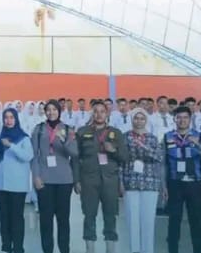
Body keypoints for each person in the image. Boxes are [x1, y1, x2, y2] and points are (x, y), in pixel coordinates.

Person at [75, 100, 128, 253]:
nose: (99, 114)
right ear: (92, 113)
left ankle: (110, 249)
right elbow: (76, 158)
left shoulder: (116, 133)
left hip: (110, 181)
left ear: (107, 113)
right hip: (88, 180)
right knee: (89, 215)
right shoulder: (82, 132)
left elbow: (125, 157)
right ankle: (90, 249)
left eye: (102, 111)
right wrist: (76, 180)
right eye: (96, 111)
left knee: (110, 215)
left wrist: (113, 151)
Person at [163, 106, 201, 253]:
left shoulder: (199, 136)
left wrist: (198, 144)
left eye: (185, 117)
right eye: (179, 117)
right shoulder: (167, 137)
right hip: (174, 184)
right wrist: (163, 185)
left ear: (190, 119)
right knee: (174, 220)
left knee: (195, 220)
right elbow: (163, 164)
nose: (182, 120)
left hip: (194, 184)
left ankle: (198, 250)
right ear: (174, 119)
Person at [31, 99, 78, 253]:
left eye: (54, 109)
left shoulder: (68, 129)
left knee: (63, 219)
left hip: (64, 180)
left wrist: (63, 140)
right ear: (45, 112)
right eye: (48, 110)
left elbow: (74, 153)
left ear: (59, 111)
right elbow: (34, 156)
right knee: (46, 220)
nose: (51, 112)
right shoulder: (39, 129)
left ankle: (64, 249)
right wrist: (36, 176)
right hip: (45, 180)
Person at [0, 108, 33, 253]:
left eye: (11, 117)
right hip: (0, 185)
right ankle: (6, 246)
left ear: (16, 119)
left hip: (17, 186)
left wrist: (12, 146)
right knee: (4, 218)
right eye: (6, 117)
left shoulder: (24, 138)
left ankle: (18, 247)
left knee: (16, 218)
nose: (8, 121)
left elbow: (28, 156)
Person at [121, 107, 162, 253]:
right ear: (132, 120)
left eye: (142, 118)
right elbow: (121, 161)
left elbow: (159, 157)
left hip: (150, 182)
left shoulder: (152, 138)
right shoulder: (125, 137)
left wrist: (144, 147)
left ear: (146, 120)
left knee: (148, 221)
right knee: (132, 221)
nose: (139, 121)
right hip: (131, 182)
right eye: (136, 118)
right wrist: (120, 182)